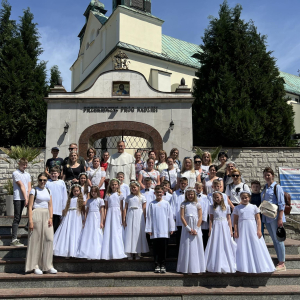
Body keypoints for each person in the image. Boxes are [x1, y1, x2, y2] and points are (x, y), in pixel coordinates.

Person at [233, 191, 275, 273]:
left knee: (255, 243)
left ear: (249, 198)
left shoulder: (254, 207)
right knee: (242, 245)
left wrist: (259, 230)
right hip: (242, 229)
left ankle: (258, 264)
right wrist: (236, 231)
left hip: (252, 228)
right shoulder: (237, 208)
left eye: (246, 197)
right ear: (240, 198)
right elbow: (235, 221)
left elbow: (258, 219)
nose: (244, 199)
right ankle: (243, 265)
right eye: (242, 198)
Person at [25, 173, 57, 275]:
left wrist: (51, 217)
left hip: (47, 215)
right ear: (37, 180)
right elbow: (30, 207)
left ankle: (48, 265)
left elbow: (50, 205)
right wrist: (30, 221)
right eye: (40, 180)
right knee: (36, 241)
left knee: (49, 239)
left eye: (44, 180)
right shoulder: (34, 190)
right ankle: (35, 266)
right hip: (36, 214)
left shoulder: (48, 190)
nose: (42, 182)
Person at [145, 185, 175, 273]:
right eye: (157, 192)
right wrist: (149, 229)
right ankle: (157, 264)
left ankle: (163, 264)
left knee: (164, 249)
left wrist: (171, 227)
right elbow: (149, 217)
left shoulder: (166, 203)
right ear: (154, 193)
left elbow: (170, 216)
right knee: (156, 249)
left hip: (164, 229)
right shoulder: (151, 204)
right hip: (155, 230)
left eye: (160, 192)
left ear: (163, 193)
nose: (159, 194)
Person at [261, 167, 286, 272]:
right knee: (274, 240)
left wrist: (280, 218)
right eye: (265, 175)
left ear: (273, 175)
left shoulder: (277, 187)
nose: (267, 177)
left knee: (279, 240)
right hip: (267, 217)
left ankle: (282, 263)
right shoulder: (265, 187)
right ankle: (279, 258)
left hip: (276, 217)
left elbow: (281, 204)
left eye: (269, 175)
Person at [205, 191, 236, 273]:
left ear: (221, 197)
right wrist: (210, 229)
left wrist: (230, 230)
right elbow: (211, 219)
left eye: (218, 197)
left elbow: (229, 219)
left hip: (224, 225)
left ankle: (226, 262)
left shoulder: (227, 207)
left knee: (225, 242)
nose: (216, 199)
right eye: (215, 198)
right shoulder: (211, 207)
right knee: (216, 242)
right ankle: (214, 263)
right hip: (216, 226)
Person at [177, 187, 206, 274]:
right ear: (186, 195)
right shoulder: (183, 204)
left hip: (196, 227)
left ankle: (197, 268)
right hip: (187, 227)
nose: (190, 196)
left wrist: (196, 228)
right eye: (189, 194)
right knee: (187, 246)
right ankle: (187, 268)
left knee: (196, 245)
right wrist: (188, 228)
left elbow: (200, 217)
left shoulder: (197, 204)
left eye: (192, 194)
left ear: (194, 195)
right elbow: (182, 216)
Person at [53, 184, 85, 258]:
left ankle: (75, 251)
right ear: (72, 192)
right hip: (69, 216)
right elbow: (66, 208)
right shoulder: (69, 199)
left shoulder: (81, 200)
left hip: (77, 216)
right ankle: (67, 251)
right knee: (68, 231)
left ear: (80, 191)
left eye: (77, 191)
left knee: (76, 231)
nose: (76, 192)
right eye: (74, 191)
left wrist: (84, 218)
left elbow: (83, 210)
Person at [101, 179, 127, 260]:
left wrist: (123, 218)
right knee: (110, 230)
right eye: (112, 185)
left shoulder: (120, 195)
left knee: (117, 230)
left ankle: (118, 251)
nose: (114, 186)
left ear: (118, 185)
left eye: (115, 184)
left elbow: (121, 207)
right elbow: (105, 207)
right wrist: (104, 217)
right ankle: (109, 251)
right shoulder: (108, 195)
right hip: (110, 213)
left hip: (117, 214)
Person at [77, 186, 105, 260]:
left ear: (97, 192)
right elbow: (86, 211)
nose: (93, 193)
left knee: (96, 232)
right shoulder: (89, 201)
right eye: (92, 192)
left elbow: (102, 211)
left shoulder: (100, 200)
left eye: (95, 192)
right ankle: (88, 252)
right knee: (89, 233)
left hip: (97, 218)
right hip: (90, 218)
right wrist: (85, 220)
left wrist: (101, 221)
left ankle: (97, 252)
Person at [123, 181, 149, 259]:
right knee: (129, 233)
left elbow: (144, 209)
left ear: (138, 188)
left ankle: (138, 252)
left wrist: (145, 218)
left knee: (138, 233)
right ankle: (129, 252)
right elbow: (125, 208)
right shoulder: (128, 197)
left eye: (134, 187)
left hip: (139, 215)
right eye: (132, 187)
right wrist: (124, 219)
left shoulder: (142, 197)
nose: (133, 189)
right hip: (130, 214)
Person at [11, 158, 31, 246]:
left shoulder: (28, 174)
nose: (25, 166)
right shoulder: (15, 173)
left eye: (26, 165)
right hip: (18, 198)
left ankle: (27, 227)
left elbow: (29, 186)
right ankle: (14, 239)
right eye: (23, 164)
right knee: (17, 217)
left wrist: (29, 197)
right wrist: (26, 198)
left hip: (26, 197)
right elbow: (22, 186)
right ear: (19, 163)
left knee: (33, 212)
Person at [45, 166, 68, 232]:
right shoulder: (47, 182)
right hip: (49, 207)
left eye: (55, 173)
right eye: (52, 173)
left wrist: (64, 207)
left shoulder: (61, 182)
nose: (53, 175)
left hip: (58, 207)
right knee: (48, 225)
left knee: (56, 225)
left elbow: (64, 195)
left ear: (58, 174)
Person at [171, 177, 188, 252]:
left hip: (187, 219)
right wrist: (173, 218)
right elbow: (173, 206)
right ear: (179, 184)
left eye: (185, 183)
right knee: (179, 238)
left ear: (187, 184)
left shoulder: (189, 193)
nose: (183, 185)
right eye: (182, 183)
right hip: (178, 219)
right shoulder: (175, 193)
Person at [195, 182, 209, 249]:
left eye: (199, 188)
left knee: (204, 235)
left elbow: (206, 208)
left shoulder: (205, 197)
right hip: (195, 219)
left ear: (202, 188)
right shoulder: (193, 197)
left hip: (203, 220)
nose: (198, 189)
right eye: (197, 188)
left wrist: (203, 218)